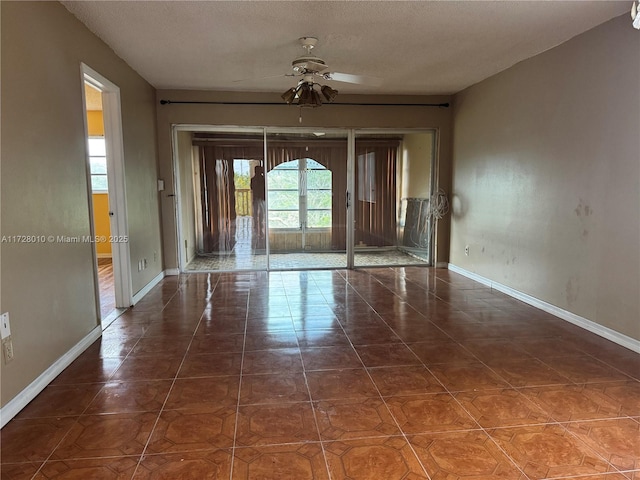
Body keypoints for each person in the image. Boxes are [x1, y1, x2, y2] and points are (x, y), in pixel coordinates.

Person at [250, 165, 266, 243]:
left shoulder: (253, 179)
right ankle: (259, 226)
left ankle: (257, 226)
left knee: (256, 213)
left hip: (257, 197)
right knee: (261, 213)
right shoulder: (263, 179)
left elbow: (252, 188)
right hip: (261, 198)